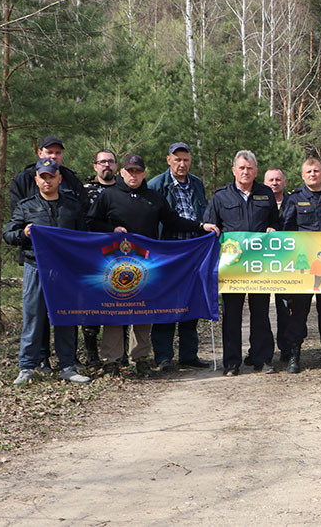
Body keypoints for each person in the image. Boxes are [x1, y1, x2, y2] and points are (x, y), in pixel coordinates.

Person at [87, 154, 219, 375]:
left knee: (142, 310)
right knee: (115, 310)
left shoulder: (154, 197)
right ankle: (112, 359)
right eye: (130, 171)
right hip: (113, 264)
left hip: (145, 264)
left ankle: (140, 357)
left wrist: (200, 226)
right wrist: (111, 230)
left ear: (144, 173)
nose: (134, 175)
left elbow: (173, 221)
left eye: (138, 171)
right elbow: (91, 222)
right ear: (122, 172)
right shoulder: (108, 196)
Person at [4, 159, 91, 386]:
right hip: (36, 268)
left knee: (66, 317)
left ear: (59, 179)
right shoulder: (26, 207)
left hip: (65, 271)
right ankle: (27, 367)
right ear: (36, 180)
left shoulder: (72, 206)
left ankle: (67, 366)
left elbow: (84, 237)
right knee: (33, 318)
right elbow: (8, 235)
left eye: (51, 176)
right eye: (43, 177)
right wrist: (23, 233)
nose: (47, 181)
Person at [203, 150, 277, 376]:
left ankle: (261, 358)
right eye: (242, 168)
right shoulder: (220, 196)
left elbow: (276, 223)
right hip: (232, 266)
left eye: (250, 168)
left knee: (260, 312)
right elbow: (210, 224)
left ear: (256, 171)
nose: (245, 172)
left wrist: (273, 229)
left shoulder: (266, 194)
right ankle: (232, 363)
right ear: (234, 170)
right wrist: (208, 228)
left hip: (259, 265)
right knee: (232, 315)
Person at [147, 142, 212, 371]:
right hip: (167, 251)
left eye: (185, 160)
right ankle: (163, 356)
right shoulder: (156, 185)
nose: (182, 164)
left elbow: (202, 212)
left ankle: (188, 355)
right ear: (169, 160)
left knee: (190, 302)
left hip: (193, 251)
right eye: (177, 160)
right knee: (165, 304)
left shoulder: (196, 183)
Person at [282, 158, 321, 373]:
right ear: (303, 175)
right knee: (298, 311)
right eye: (308, 171)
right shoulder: (294, 199)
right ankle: (294, 354)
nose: (312, 174)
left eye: (316, 171)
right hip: (303, 266)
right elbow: (287, 231)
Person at [80, 149, 120, 368]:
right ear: (95, 166)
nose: (107, 165)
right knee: (91, 305)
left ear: (116, 166)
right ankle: (92, 354)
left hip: (119, 255)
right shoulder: (83, 191)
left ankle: (119, 353)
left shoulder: (123, 189)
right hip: (91, 255)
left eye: (111, 162)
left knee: (120, 301)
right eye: (102, 162)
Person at [263, 167, 291, 363]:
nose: (275, 183)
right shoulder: (260, 201)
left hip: (287, 262)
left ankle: (286, 348)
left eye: (278, 180)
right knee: (261, 309)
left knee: (285, 308)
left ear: (285, 182)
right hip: (262, 261)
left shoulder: (292, 201)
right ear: (265, 183)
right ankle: (260, 350)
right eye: (271, 180)